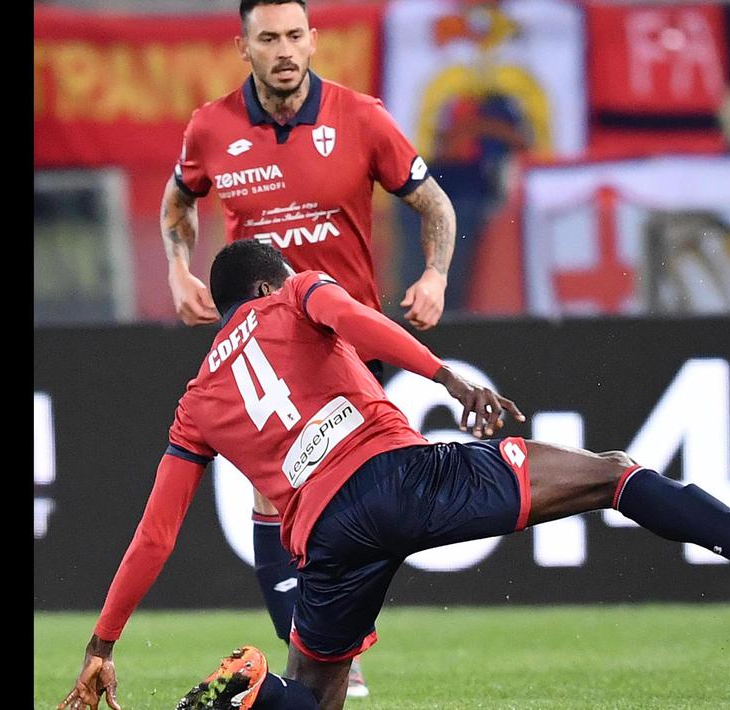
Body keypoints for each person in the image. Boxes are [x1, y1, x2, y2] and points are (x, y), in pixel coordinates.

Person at [60, 240, 730, 710]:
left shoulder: (197, 399)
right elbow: (353, 317)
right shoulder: (296, 293)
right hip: (399, 476)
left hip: (325, 537)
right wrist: (446, 378)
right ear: (269, 281)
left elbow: (155, 533)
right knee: (610, 474)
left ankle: (243, 698)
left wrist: (102, 643)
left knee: (308, 700)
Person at [160, 0, 458, 694]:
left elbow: (434, 202)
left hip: (346, 341)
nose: (285, 49)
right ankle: (318, 655)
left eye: (295, 36)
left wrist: (437, 275)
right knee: (277, 500)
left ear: (313, 40)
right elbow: (179, 203)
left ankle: (325, 649)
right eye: (269, 38)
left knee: (358, 502)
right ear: (244, 47)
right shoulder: (211, 127)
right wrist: (178, 268)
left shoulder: (360, 117)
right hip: (265, 348)